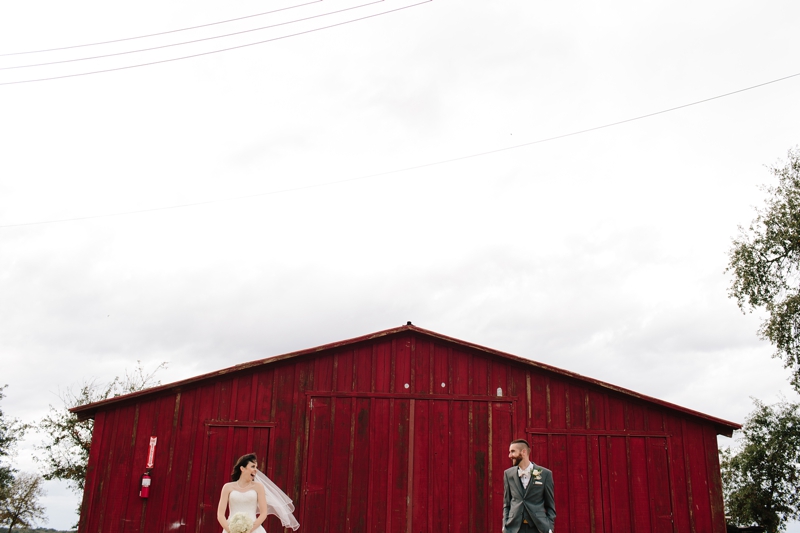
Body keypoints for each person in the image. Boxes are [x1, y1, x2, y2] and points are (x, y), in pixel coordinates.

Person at [217, 453, 300, 533]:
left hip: (253, 529)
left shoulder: (258, 487)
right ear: (242, 468)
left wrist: (249, 530)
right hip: (232, 529)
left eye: (256, 467)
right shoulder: (227, 487)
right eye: (252, 466)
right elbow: (220, 515)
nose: (255, 470)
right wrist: (230, 531)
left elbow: (264, 513)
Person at [502, 439, 556, 533]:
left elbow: (550, 505)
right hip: (514, 528)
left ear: (523, 452)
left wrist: (549, 527)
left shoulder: (545, 474)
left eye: (513, 451)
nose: (510, 455)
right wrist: (504, 526)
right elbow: (507, 504)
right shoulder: (508, 474)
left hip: (538, 528)